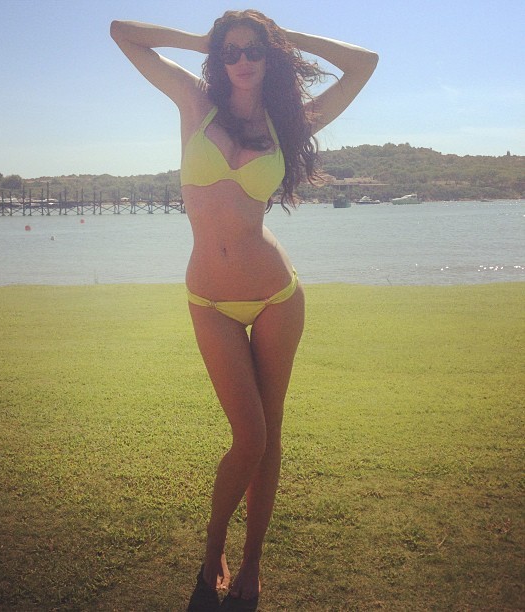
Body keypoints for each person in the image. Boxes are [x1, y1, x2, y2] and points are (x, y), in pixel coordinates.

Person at [110, 10, 377, 611]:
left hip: (276, 295)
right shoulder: (195, 102)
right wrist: (200, 40)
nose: (242, 60)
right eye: (230, 51)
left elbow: (364, 65)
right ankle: (213, 553)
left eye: (254, 49)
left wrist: (282, 37)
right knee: (248, 436)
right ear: (218, 57)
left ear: (268, 55)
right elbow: (122, 33)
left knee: (268, 434)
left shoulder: (289, 121)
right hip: (209, 300)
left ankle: (252, 561)